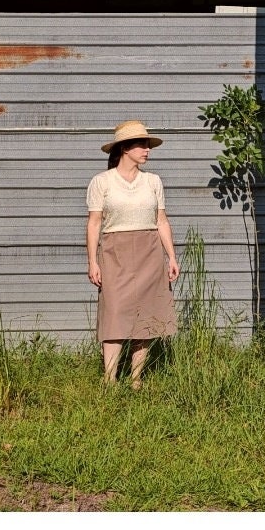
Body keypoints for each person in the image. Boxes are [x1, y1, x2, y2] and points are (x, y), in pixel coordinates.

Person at [86, 120, 179, 389]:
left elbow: (161, 220)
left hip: (150, 252)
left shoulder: (153, 181)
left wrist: (171, 256)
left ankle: (136, 379)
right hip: (115, 252)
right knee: (115, 313)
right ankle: (110, 380)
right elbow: (94, 224)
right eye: (142, 145)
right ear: (125, 148)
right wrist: (93, 261)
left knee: (147, 314)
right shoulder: (101, 182)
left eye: (148, 145)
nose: (147, 150)